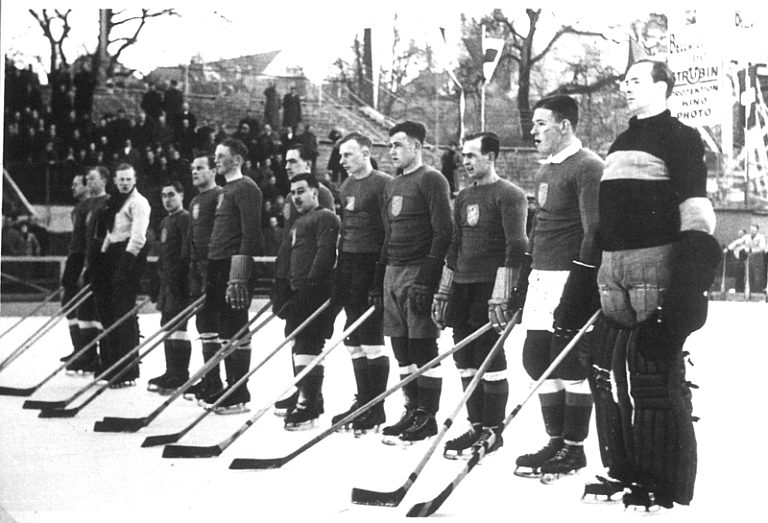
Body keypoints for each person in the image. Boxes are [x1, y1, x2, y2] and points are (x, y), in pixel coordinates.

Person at [587, 59, 720, 509]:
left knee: (652, 379)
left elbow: (697, 214)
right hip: (614, 277)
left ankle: (663, 483)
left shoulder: (680, 138)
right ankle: (623, 470)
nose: (625, 87)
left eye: (636, 81)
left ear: (663, 87)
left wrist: (687, 296)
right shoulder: (621, 142)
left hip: (656, 274)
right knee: (606, 375)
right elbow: (605, 224)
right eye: (623, 81)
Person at [511, 95, 603, 481]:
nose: (533, 132)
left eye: (541, 124)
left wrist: (579, 286)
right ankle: (555, 439)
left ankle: (574, 448)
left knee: (569, 362)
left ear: (564, 126)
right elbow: (540, 228)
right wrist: (523, 279)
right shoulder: (546, 168)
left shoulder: (588, 167)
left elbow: (594, 229)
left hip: (570, 279)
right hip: (540, 278)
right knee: (536, 360)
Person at [432, 132, 529, 458]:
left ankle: (492, 429)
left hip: (491, 287)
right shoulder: (463, 196)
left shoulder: (510, 195)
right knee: (464, 357)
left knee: (489, 357)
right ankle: (475, 424)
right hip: (463, 285)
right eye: (464, 155)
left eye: (472, 155)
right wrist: (445, 289)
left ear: (490, 156)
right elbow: (456, 243)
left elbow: (517, 246)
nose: (466, 161)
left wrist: (503, 292)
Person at [372, 121, 452, 445]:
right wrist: (378, 279)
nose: (392, 151)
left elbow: (444, 231)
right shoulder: (392, 185)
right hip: (393, 270)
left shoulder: (432, 179)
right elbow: (388, 235)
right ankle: (410, 408)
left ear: (416, 147)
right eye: (390, 145)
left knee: (422, 345)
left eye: (398, 145)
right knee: (400, 348)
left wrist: (428, 278)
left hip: (418, 271)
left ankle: (427, 415)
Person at [329, 132, 392, 435]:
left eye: (348, 155)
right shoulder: (346, 185)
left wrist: (379, 278)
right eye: (341, 156)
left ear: (365, 153)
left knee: (371, 337)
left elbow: (387, 234)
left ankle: (375, 408)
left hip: (371, 264)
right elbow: (345, 230)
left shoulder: (382, 183)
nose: (342, 161)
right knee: (352, 337)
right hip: (349, 263)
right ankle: (363, 400)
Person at [199, 138, 264, 414]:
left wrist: (238, 273)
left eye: (221, 155)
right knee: (224, 328)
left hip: (232, 266)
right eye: (215, 155)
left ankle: (239, 392)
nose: (216, 160)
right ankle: (228, 387)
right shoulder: (226, 189)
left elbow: (251, 234)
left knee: (235, 325)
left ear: (236, 160)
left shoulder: (247, 188)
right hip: (217, 263)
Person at [271, 143, 336, 415]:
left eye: (293, 161)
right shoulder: (291, 201)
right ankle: (302, 389)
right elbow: (289, 242)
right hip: (294, 276)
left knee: (309, 338)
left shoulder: (322, 198)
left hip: (312, 284)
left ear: (307, 164)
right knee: (295, 335)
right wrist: (281, 281)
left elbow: (324, 246)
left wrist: (310, 283)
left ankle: (310, 396)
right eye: (286, 161)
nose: (287, 166)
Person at [280, 173, 340, 430]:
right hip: (299, 292)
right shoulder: (297, 222)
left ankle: (309, 403)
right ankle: (307, 396)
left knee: (309, 344)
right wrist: (284, 289)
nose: (297, 197)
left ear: (315, 193)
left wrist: (310, 286)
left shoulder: (325, 217)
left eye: (301, 191)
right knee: (299, 343)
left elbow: (325, 254)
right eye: (293, 192)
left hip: (316, 292)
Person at [93, 163, 151, 387]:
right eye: (121, 179)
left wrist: (124, 266)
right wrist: (101, 259)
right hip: (113, 254)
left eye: (128, 179)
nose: (125, 183)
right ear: (115, 181)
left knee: (123, 312)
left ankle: (127, 369)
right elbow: (110, 234)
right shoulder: (116, 202)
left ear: (134, 179)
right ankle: (109, 362)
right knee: (107, 310)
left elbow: (138, 237)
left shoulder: (139, 203)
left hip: (129, 255)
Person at [182, 154, 224, 403]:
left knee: (216, 325)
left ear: (213, 171)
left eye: (200, 168)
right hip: (198, 269)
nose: (195, 172)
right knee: (204, 326)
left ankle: (217, 382)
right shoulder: (196, 200)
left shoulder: (218, 196)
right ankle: (211, 378)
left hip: (214, 267)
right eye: (192, 168)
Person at [147, 181, 192, 394]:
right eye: (164, 195)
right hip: (167, 282)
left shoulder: (185, 219)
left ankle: (180, 373)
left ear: (181, 195)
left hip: (180, 282)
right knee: (167, 325)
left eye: (171, 194)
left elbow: (185, 252)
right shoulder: (165, 221)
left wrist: (178, 277)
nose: (167, 199)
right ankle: (170, 370)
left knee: (178, 327)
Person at [59, 173, 101, 373]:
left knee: (82, 305)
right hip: (75, 255)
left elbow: (87, 239)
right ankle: (79, 348)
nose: (73, 188)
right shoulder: (80, 208)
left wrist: (85, 263)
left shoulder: (90, 207)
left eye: (77, 184)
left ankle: (85, 351)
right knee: (68, 301)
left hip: (82, 257)